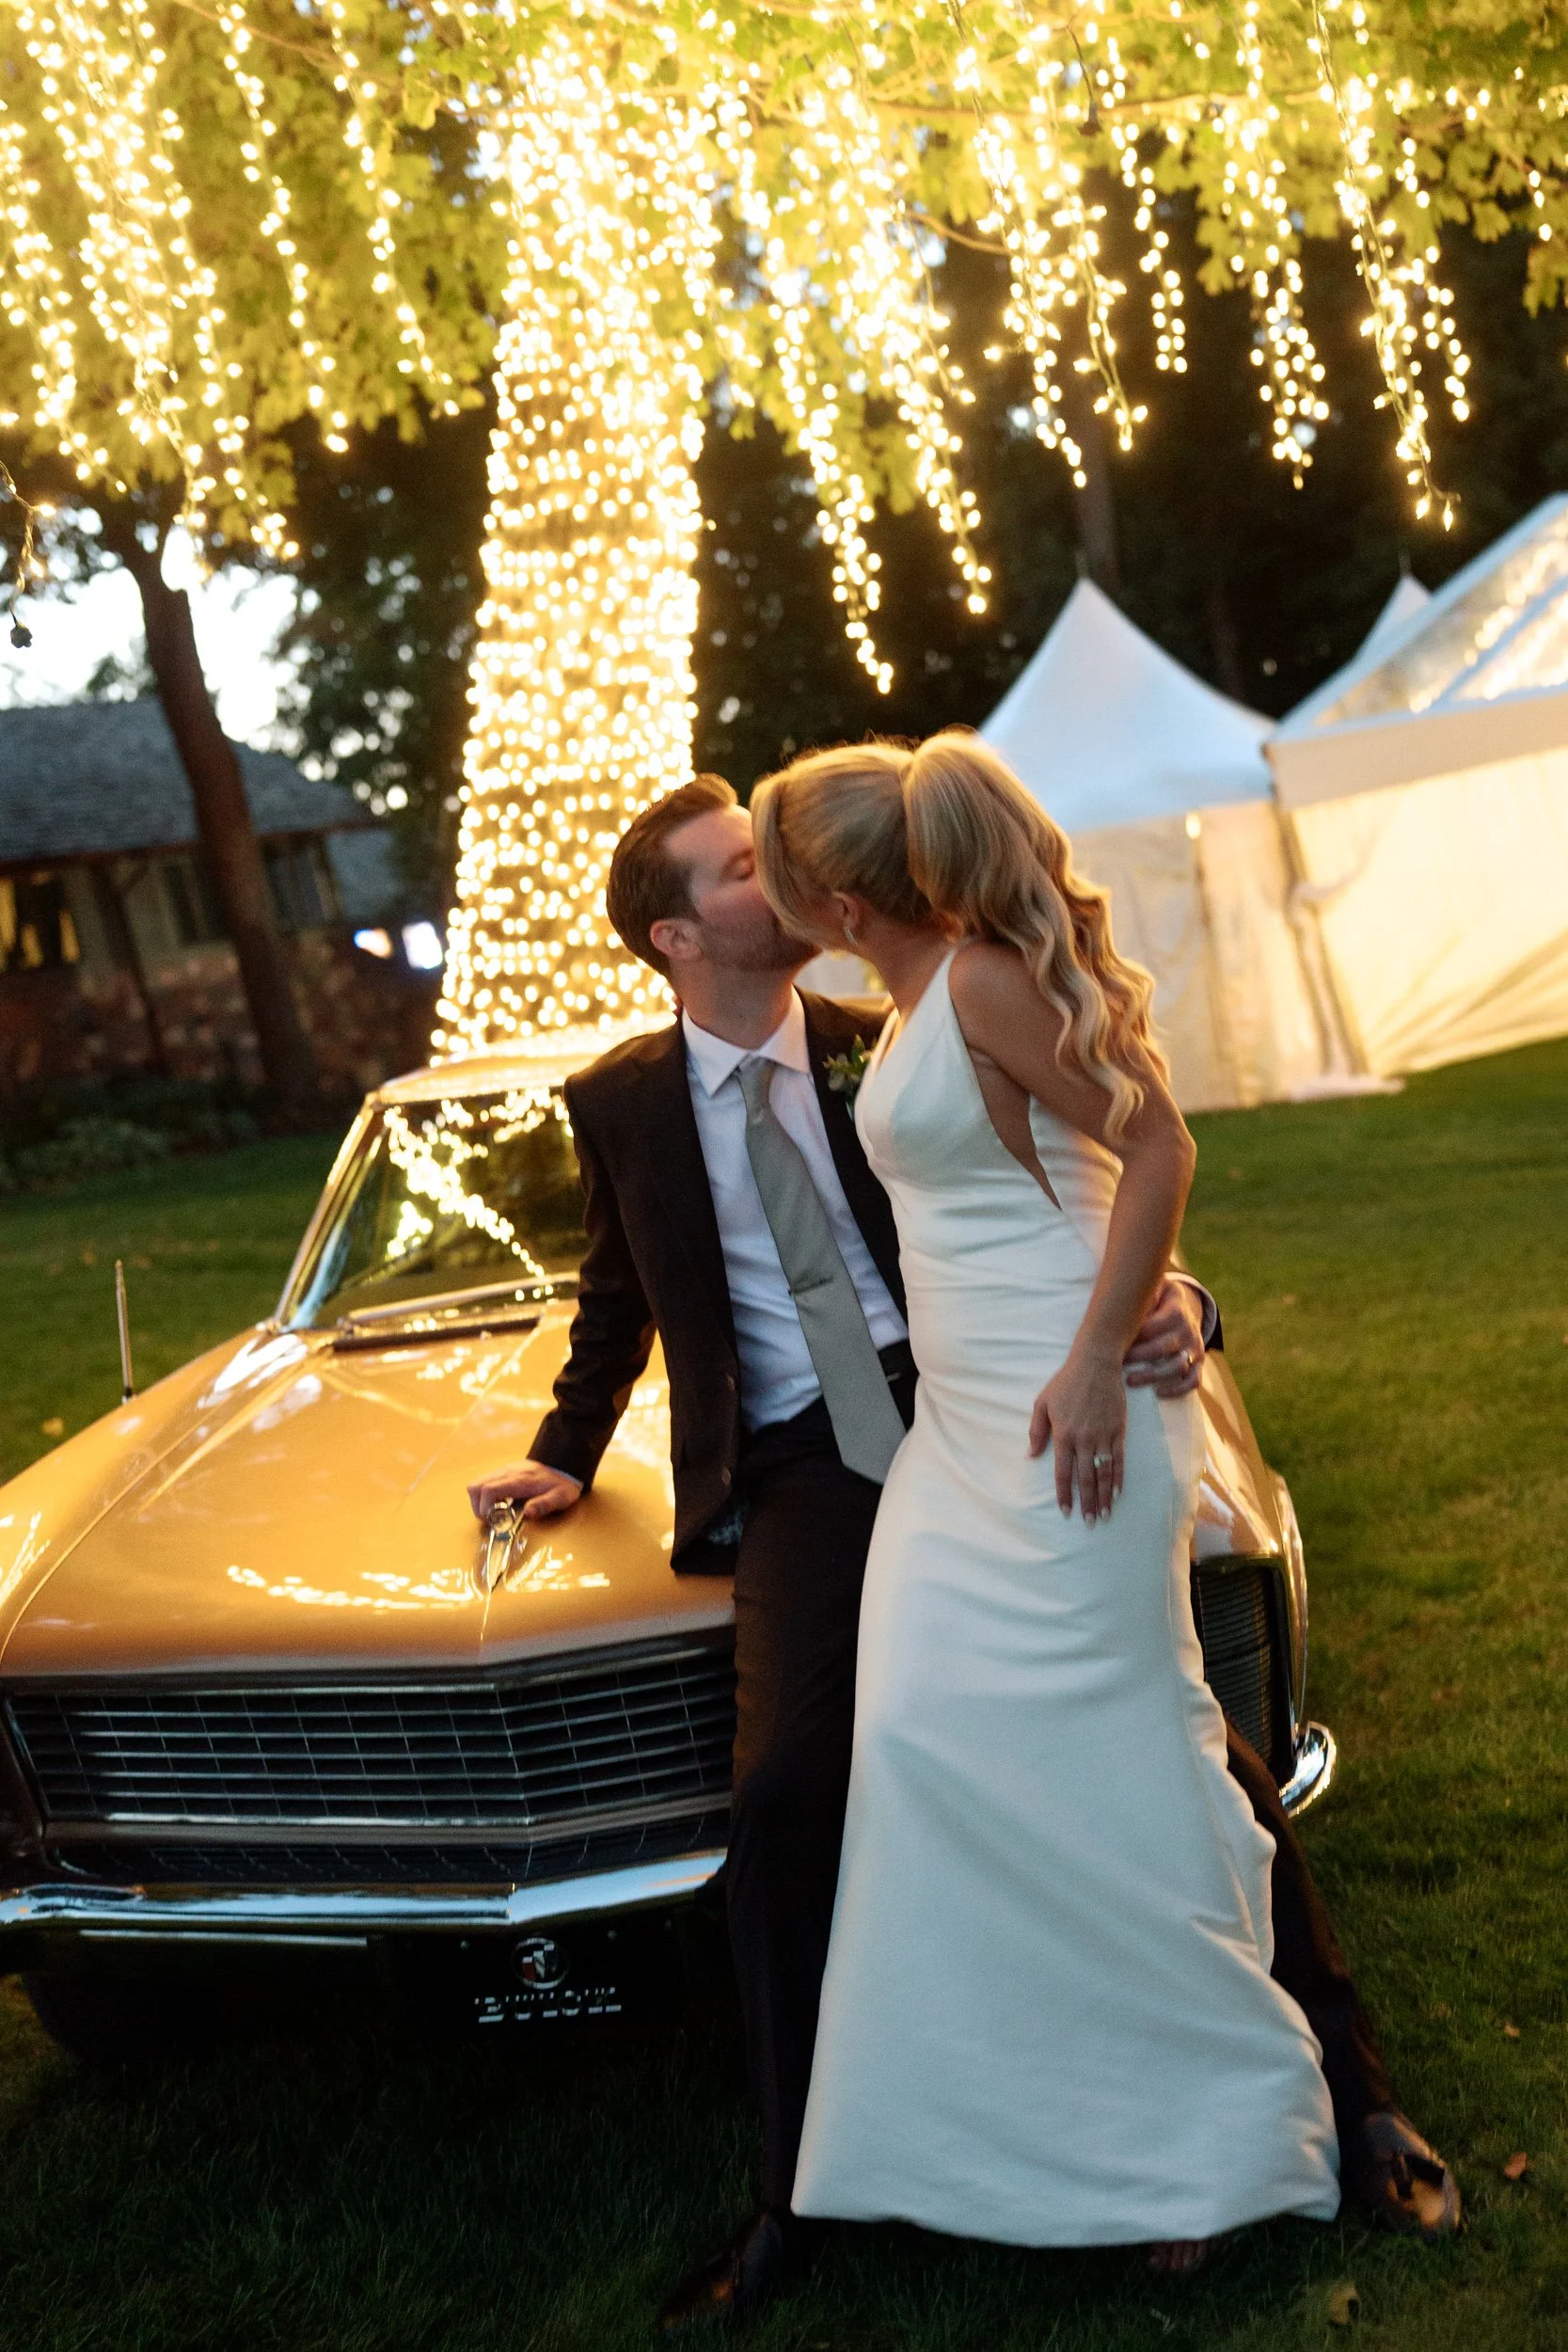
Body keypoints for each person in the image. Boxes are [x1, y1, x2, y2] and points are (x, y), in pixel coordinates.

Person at [467, 770, 1457, 2328]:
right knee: (797, 1782)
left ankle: (1349, 2076)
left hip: (964, 1407)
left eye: (769, 860)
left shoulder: (895, 1026)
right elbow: (616, 1297)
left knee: (1168, 1726)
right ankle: (802, 2177)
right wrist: (562, 1449)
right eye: (734, 872)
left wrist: (1175, 1309)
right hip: (805, 1466)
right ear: (675, 934)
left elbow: (1081, 1179)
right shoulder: (623, 1103)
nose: (767, 886)